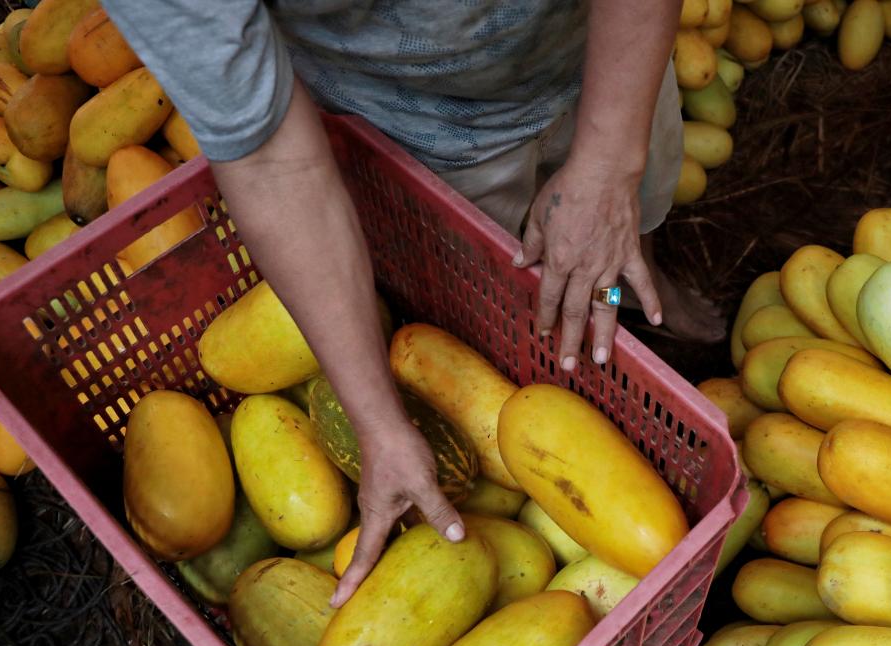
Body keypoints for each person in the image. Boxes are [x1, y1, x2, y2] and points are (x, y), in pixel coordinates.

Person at [103, 1, 722, 604]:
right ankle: (613, 289)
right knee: (511, 290)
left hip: (606, 47)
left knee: (628, 210)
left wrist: (608, 169)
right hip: (424, 127)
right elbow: (272, 164)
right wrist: (377, 425)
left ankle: (637, 279)